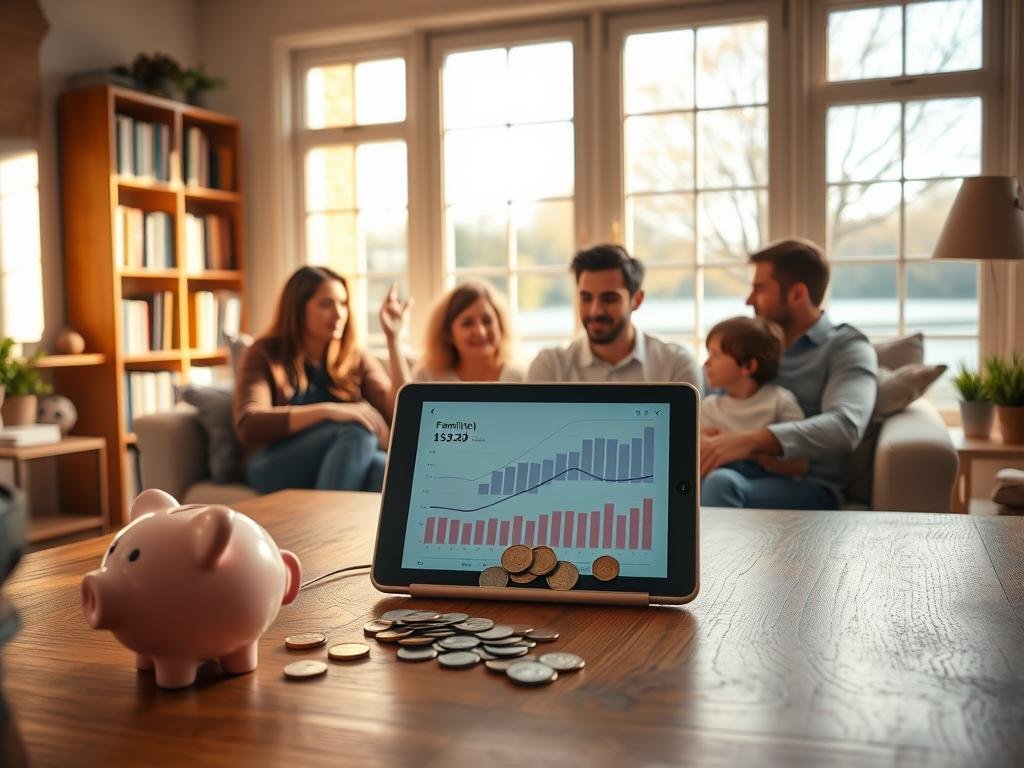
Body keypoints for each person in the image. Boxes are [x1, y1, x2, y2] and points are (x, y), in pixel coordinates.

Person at [700, 238, 878, 509]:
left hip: (806, 485)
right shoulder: (747, 344)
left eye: (759, 289)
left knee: (720, 485)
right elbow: (713, 406)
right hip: (731, 473)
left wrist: (749, 441)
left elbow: (845, 426)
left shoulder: (845, 347)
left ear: (797, 294)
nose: (748, 300)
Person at [234, 266, 394, 494]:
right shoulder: (264, 353)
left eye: (343, 303)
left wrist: (393, 339)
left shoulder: (352, 357)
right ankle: (327, 525)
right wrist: (328, 411)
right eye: (326, 304)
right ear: (298, 309)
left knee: (385, 471)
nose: (339, 314)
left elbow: (397, 411)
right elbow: (249, 424)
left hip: (341, 458)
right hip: (272, 463)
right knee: (354, 428)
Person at [527, 244, 701, 389]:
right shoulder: (550, 366)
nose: (595, 311)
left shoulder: (676, 365)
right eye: (586, 298)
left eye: (609, 298)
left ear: (637, 300)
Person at [700, 315, 808, 483]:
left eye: (715, 354)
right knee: (718, 481)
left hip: (771, 483)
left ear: (748, 366)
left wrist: (751, 453)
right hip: (720, 481)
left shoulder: (780, 400)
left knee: (720, 482)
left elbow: (800, 465)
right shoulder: (708, 408)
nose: (706, 363)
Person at [379, 280, 524, 387]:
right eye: (467, 323)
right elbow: (407, 415)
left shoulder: (519, 377)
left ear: (501, 325)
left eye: (487, 321)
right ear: (447, 334)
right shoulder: (429, 376)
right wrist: (393, 338)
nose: (480, 331)